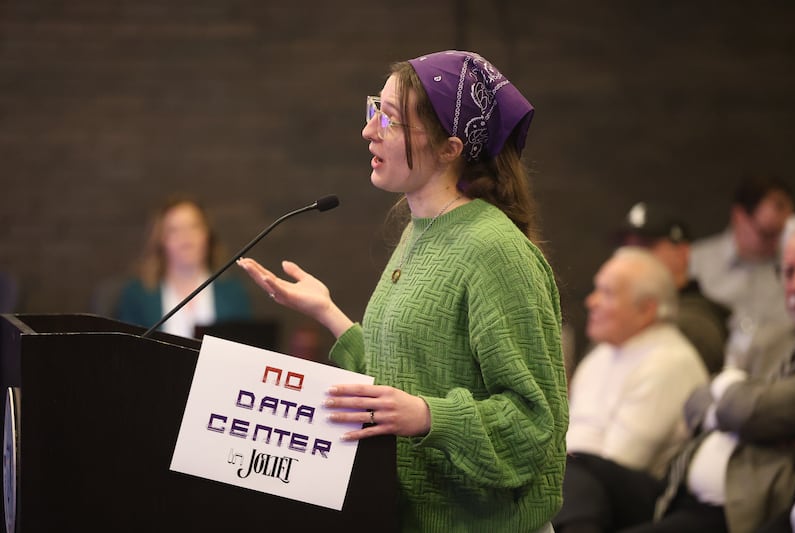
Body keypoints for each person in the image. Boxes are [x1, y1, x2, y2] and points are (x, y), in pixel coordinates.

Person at [238, 50, 568, 532]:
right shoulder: (421, 230)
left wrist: (431, 417)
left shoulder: (495, 250)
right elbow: (404, 374)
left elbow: (534, 423)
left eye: (390, 120)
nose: (369, 131)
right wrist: (329, 313)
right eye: (375, 109)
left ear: (450, 149)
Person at [621, 214, 795, 533]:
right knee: (580, 469)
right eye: (788, 272)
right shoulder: (773, 339)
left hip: (739, 507)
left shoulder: (695, 324)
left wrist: (729, 408)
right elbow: (698, 400)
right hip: (680, 489)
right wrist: (734, 408)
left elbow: (751, 411)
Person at [554, 247, 709, 533]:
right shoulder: (602, 354)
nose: (591, 302)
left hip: (641, 498)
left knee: (576, 469)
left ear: (646, 309)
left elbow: (618, 461)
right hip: (577, 481)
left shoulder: (668, 362)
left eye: (607, 293)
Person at [689, 175, 795, 367]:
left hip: (774, 381)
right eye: (766, 233)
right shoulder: (696, 264)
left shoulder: (792, 267)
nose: (776, 242)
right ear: (739, 216)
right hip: (709, 372)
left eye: (782, 233)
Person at [618, 202, 730, 374]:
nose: (633, 258)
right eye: (628, 247)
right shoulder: (616, 313)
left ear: (683, 253)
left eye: (645, 246)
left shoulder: (698, 324)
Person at [115, 196, 252, 337]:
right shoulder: (136, 295)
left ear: (207, 235)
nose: (186, 236)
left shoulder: (233, 293)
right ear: (161, 239)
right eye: (174, 230)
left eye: (194, 226)